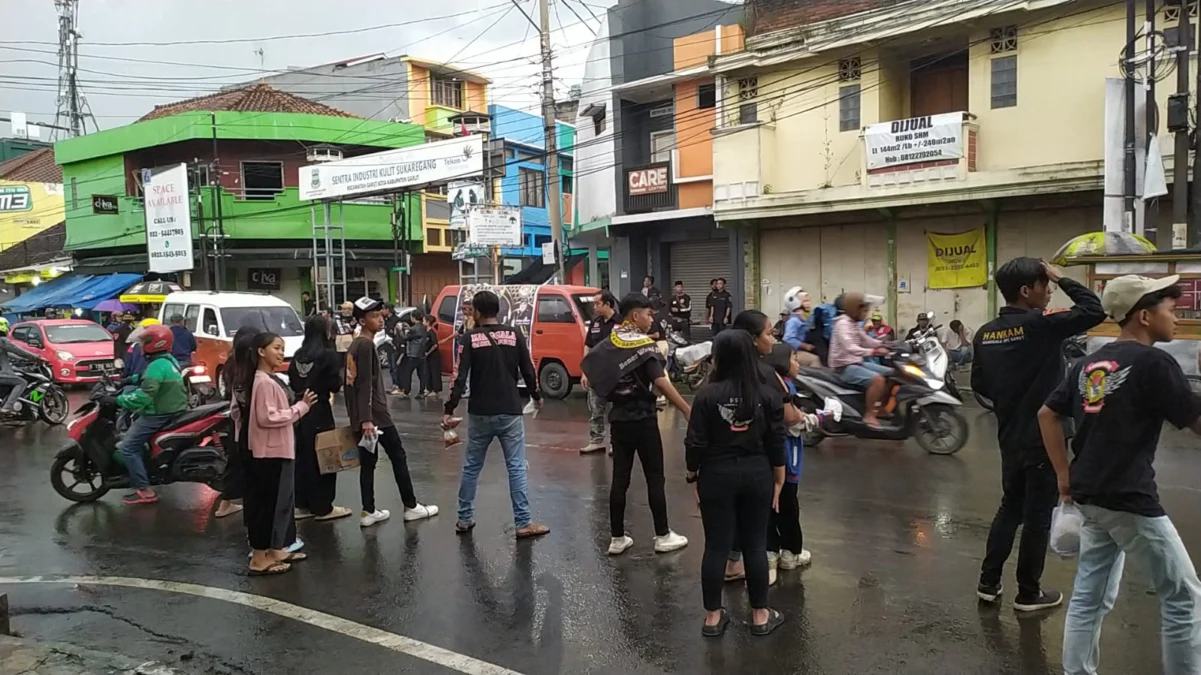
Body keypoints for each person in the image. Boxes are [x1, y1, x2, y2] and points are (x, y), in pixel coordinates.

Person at [1039, 275, 1201, 674]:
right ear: (1144, 316)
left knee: (1090, 597)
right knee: (1183, 596)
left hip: (1089, 495)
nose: (1176, 315)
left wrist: (1063, 474)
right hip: (1128, 498)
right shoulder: (1153, 362)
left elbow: (1047, 414)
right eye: (1169, 308)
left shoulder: (1085, 363)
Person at [972, 257, 1105, 612]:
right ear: (1026, 290)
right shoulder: (1039, 324)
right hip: (1044, 437)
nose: (1049, 292)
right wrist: (1063, 277)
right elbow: (1095, 309)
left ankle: (988, 583)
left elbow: (979, 384)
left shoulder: (985, 333)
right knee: (1037, 517)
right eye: (1045, 286)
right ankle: (1028, 593)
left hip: (1010, 435)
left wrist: (1010, 398)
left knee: (1009, 507)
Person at [686, 330, 787, 637]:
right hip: (758, 473)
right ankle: (760, 615)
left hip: (716, 474)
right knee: (755, 545)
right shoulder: (767, 394)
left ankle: (713, 618)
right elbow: (776, 439)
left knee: (716, 546)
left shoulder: (706, 394)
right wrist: (779, 477)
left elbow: (694, 443)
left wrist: (693, 477)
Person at [581, 293, 691, 556]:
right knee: (655, 477)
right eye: (648, 314)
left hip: (618, 419)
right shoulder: (644, 345)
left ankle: (617, 538)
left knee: (620, 478)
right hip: (643, 419)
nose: (651, 318)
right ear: (635, 315)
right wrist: (686, 408)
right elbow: (661, 381)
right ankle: (663, 535)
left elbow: (592, 371)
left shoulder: (610, 342)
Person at [443, 290, 550, 538]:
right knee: (516, 467)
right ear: (498, 310)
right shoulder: (514, 335)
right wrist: (536, 396)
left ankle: (464, 518)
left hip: (480, 411)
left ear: (477, 312)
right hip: (510, 410)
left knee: (471, 467)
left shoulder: (469, 339)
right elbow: (528, 369)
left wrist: (449, 409)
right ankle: (523, 523)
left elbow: (458, 376)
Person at [345, 296, 438, 527]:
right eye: (373, 316)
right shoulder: (365, 345)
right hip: (376, 417)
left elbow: (349, 385)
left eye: (380, 315)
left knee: (368, 463)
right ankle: (411, 506)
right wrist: (367, 419)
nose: (379, 320)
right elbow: (364, 383)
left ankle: (368, 510)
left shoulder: (355, 344)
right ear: (362, 320)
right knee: (398, 456)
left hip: (363, 416)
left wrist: (357, 417)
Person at [239, 331, 317, 576]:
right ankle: (260, 558)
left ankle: (274, 550)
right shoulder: (262, 381)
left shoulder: (269, 379)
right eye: (276, 348)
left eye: (282, 348)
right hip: (268, 453)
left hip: (278, 450)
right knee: (266, 507)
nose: (281, 352)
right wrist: (300, 408)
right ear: (261, 351)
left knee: (279, 504)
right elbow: (267, 417)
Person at [114, 325, 189, 505]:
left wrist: (118, 400)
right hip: (173, 410)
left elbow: (143, 397)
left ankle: (144, 489)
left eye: (144, 342)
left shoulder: (157, 365)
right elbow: (144, 378)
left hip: (158, 414)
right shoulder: (168, 360)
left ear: (155, 344)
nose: (141, 346)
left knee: (128, 448)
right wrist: (127, 380)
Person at [289, 315, 352, 522]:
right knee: (325, 457)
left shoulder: (298, 355)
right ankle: (323, 506)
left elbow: (294, 382)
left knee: (303, 457)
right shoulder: (327, 355)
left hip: (300, 410)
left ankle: (303, 504)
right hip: (321, 409)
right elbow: (334, 385)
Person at [214, 327, 258, 520]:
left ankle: (227, 503)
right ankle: (227, 504)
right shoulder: (252, 371)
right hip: (249, 425)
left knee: (236, 462)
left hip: (236, 423)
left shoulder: (231, 365)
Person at [828, 293, 890, 428]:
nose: (867, 314)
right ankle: (869, 415)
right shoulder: (843, 324)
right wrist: (874, 351)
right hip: (844, 367)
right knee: (877, 380)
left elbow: (867, 340)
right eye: (865, 310)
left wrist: (886, 345)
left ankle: (881, 408)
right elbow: (851, 348)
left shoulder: (854, 324)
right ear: (855, 310)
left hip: (856, 362)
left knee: (892, 373)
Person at [581, 290, 619, 455]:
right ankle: (596, 441)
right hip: (596, 373)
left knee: (615, 411)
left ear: (608, 304)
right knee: (596, 409)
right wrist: (584, 371)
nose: (594, 307)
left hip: (616, 374)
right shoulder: (595, 324)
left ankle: (615, 443)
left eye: (597, 303)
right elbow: (588, 345)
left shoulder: (621, 323)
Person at [0, 318, 35, 417]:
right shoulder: (2, 340)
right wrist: (37, 358)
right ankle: (7, 407)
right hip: (2, 373)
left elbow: (7, 354)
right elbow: (19, 351)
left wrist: (20, 359)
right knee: (21, 382)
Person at [780, 286, 821, 368]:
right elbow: (788, 339)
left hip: (802, 351)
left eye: (808, 301)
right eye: (805, 301)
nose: (808, 303)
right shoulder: (794, 321)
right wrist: (804, 345)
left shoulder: (804, 318)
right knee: (815, 359)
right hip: (795, 352)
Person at [395, 311, 429, 397]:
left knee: (407, 373)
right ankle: (422, 391)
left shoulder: (414, 329)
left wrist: (399, 330)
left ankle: (406, 391)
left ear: (413, 318)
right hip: (422, 354)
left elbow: (405, 337)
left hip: (413, 354)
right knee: (422, 375)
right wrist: (409, 328)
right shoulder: (423, 327)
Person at [423, 315, 443, 398]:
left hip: (434, 355)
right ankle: (429, 388)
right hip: (427, 356)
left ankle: (436, 390)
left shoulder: (432, 332)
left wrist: (428, 353)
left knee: (435, 372)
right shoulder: (426, 331)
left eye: (424, 320)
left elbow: (435, 345)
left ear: (428, 322)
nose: (423, 322)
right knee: (428, 372)